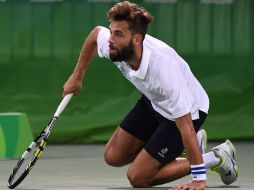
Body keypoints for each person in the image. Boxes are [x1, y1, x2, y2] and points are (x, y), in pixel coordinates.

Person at [62, 1, 238, 190]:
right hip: (154, 101)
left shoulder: (163, 71)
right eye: (112, 31)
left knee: (138, 178)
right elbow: (96, 34)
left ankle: (216, 157)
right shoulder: (115, 45)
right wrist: (77, 76)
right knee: (113, 156)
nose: (111, 39)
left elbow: (185, 126)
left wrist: (198, 179)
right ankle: (187, 148)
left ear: (137, 39)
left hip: (187, 113)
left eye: (118, 34)